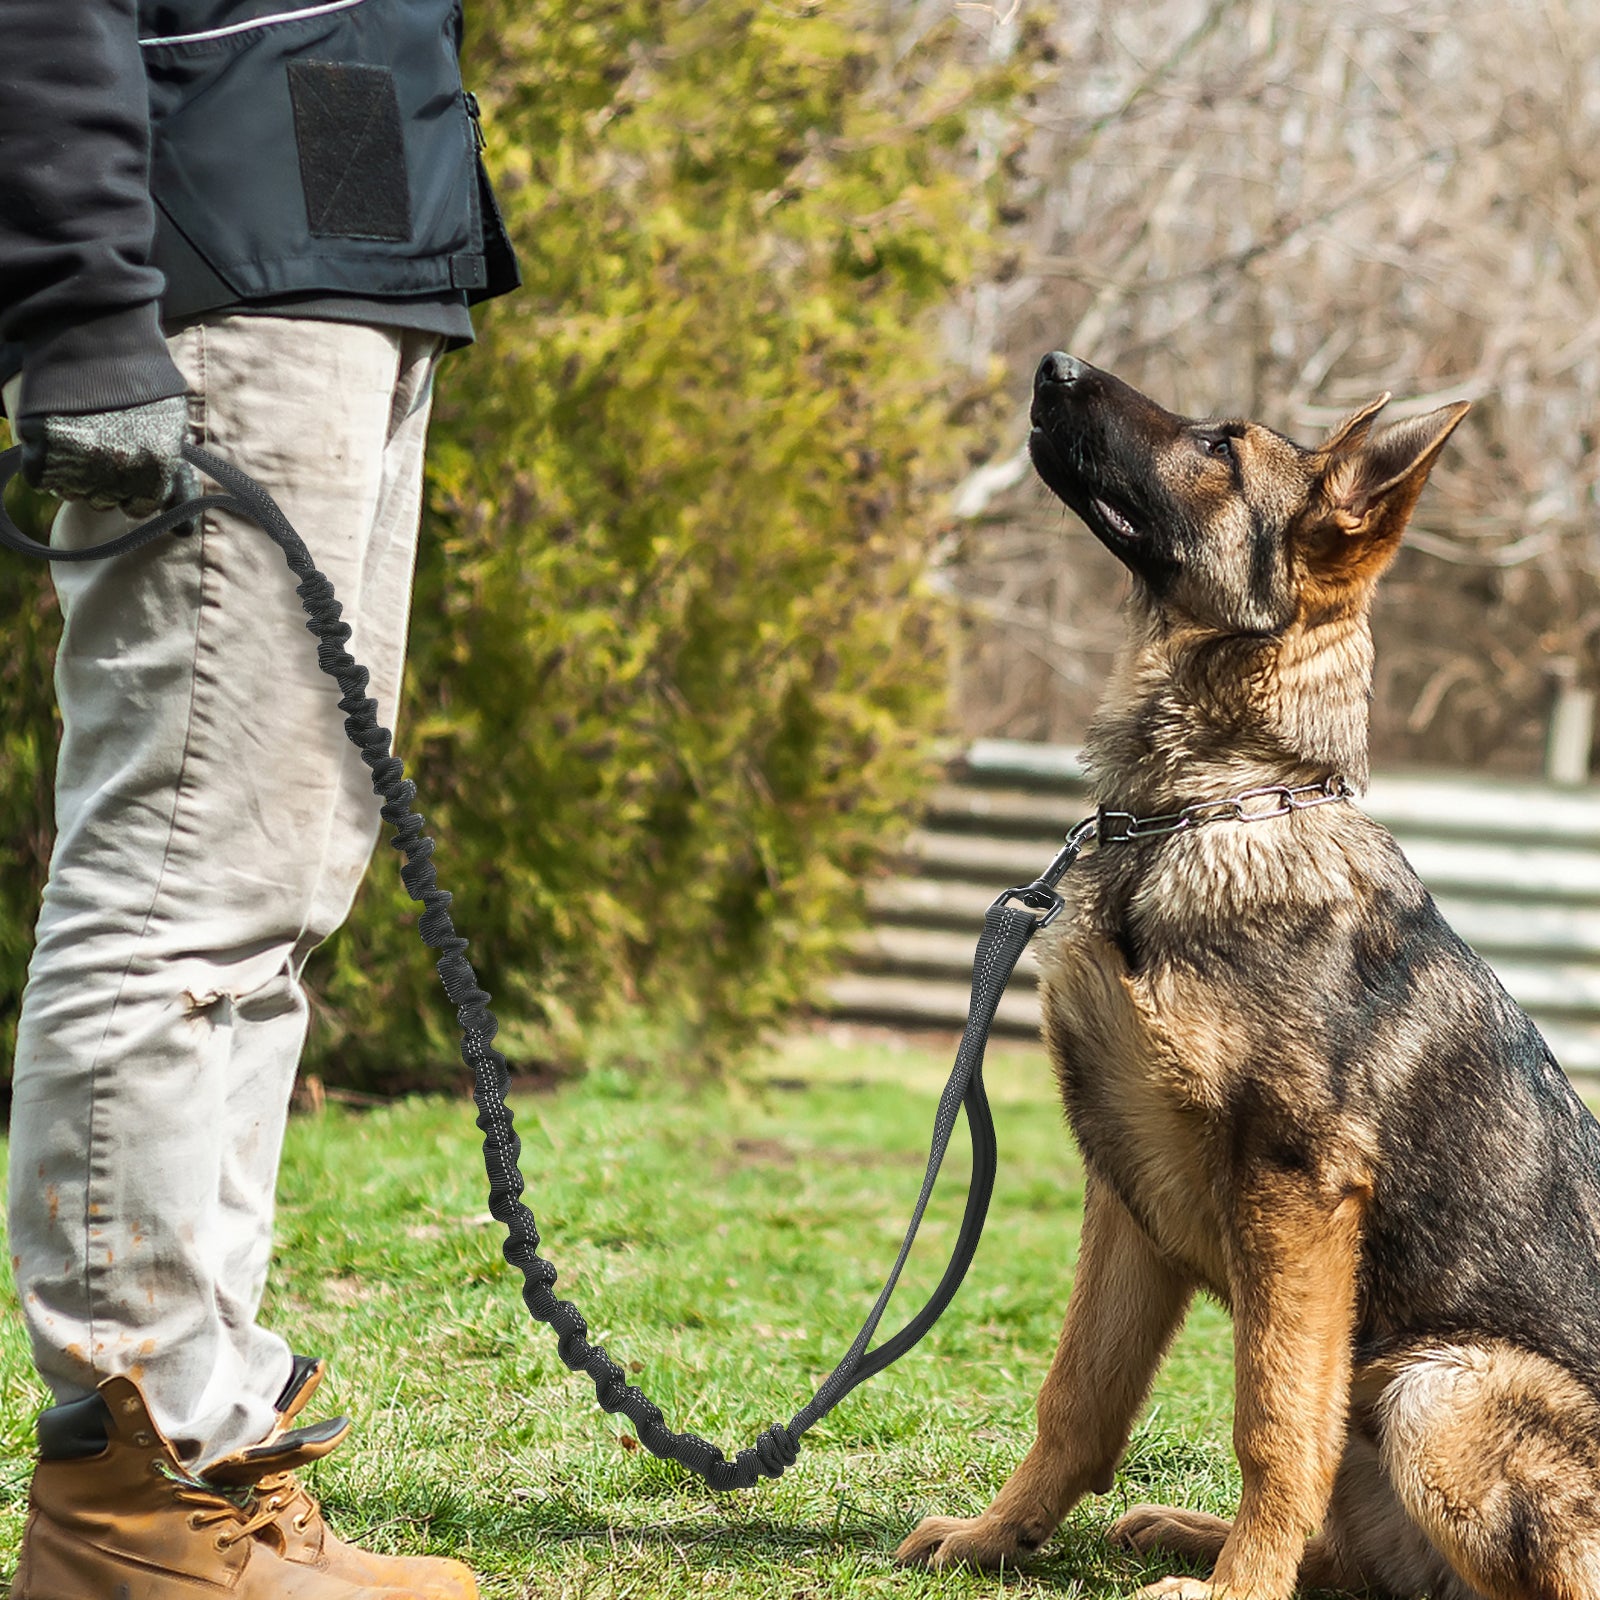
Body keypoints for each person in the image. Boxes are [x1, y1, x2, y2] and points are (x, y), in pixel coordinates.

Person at [0, 2, 519, 1595]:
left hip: (354, 257)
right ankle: (130, 1495)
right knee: (182, 886)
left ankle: (214, 1445)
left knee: (272, 902)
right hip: (217, 276)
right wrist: (82, 303)